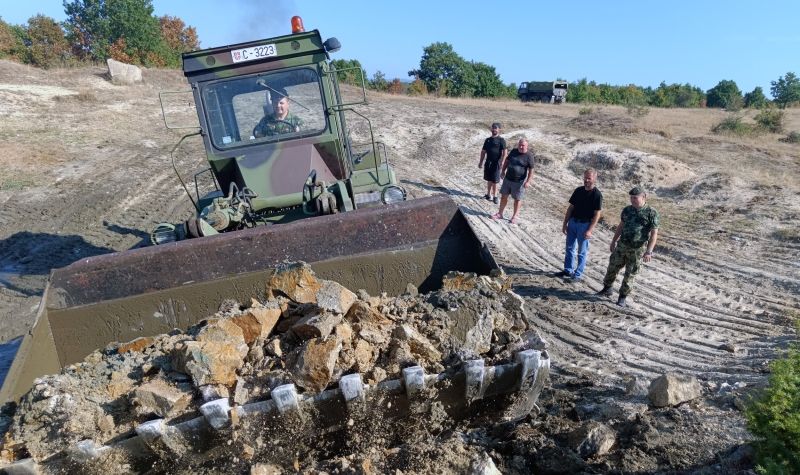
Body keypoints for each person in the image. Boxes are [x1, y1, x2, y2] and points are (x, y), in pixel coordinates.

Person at [597, 187, 659, 307]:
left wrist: (649, 252)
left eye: (635, 198)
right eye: (631, 197)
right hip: (622, 245)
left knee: (630, 274)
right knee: (612, 267)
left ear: (643, 197)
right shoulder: (627, 210)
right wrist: (614, 241)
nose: (632, 200)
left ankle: (622, 298)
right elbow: (621, 226)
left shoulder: (651, 213)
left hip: (637, 249)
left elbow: (654, 233)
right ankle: (607, 289)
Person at [558, 168, 603, 282]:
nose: (586, 180)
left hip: (585, 225)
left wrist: (590, 230)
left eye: (589, 178)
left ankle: (577, 275)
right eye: (585, 177)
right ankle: (568, 270)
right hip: (573, 222)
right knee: (569, 248)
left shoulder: (597, 195)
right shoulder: (578, 190)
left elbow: (597, 214)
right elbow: (570, 208)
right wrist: (565, 223)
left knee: (581, 252)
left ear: (594, 179)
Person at [491, 138, 534, 225]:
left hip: (519, 182)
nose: (521, 147)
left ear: (527, 146)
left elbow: (531, 170)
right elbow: (507, 161)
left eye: (523, 145)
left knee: (517, 199)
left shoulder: (529, 156)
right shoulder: (514, 151)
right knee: (504, 196)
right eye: (520, 145)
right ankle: (500, 214)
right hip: (508, 179)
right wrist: (503, 171)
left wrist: (528, 181)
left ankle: (514, 216)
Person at [478, 122, 507, 204]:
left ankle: (495, 196)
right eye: (493, 127)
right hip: (488, 162)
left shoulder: (501, 140)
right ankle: (488, 194)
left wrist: (502, 162)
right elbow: (483, 152)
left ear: (499, 129)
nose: (494, 129)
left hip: (496, 163)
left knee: (495, 180)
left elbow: (505, 152)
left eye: (496, 128)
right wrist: (481, 162)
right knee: (489, 179)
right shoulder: (487, 140)